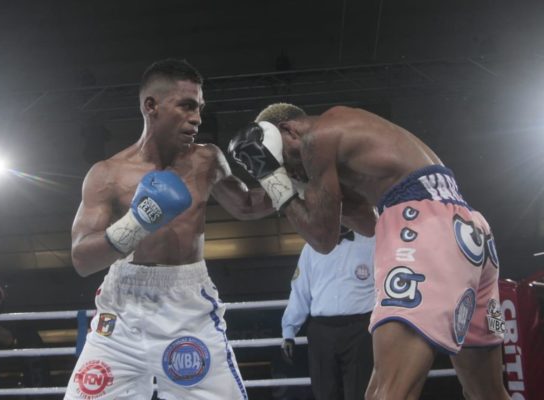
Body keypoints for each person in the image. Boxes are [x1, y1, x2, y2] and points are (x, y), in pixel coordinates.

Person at [229, 103, 510, 400]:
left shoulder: (316, 137)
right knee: (488, 394)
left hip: (421, 226)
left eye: (287, 161)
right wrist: (298, 185)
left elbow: (322, 239)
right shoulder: (352, 140)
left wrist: (272, 177)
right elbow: (369, 224)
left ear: (288, 130)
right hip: (469, 230)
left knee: (387, 394)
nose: (294, 171)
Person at [65, 59, 274, 400]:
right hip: (123, 311)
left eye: (200, 108)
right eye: (187, 106)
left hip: (188, 306)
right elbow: (81, 259)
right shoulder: (107, 174)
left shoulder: (207, 160)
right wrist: (137, 223)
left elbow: (248, 205)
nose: (197, 118)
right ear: (151, 106)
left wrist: (284, 176)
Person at [281, 225, 375, 400]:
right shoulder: (311, 247)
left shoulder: (372, 242)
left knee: (360, 392)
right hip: (322, 331)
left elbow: (384, 285)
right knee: (324, 392)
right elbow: (300, 291)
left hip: (361, 329)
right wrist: (289, 331)